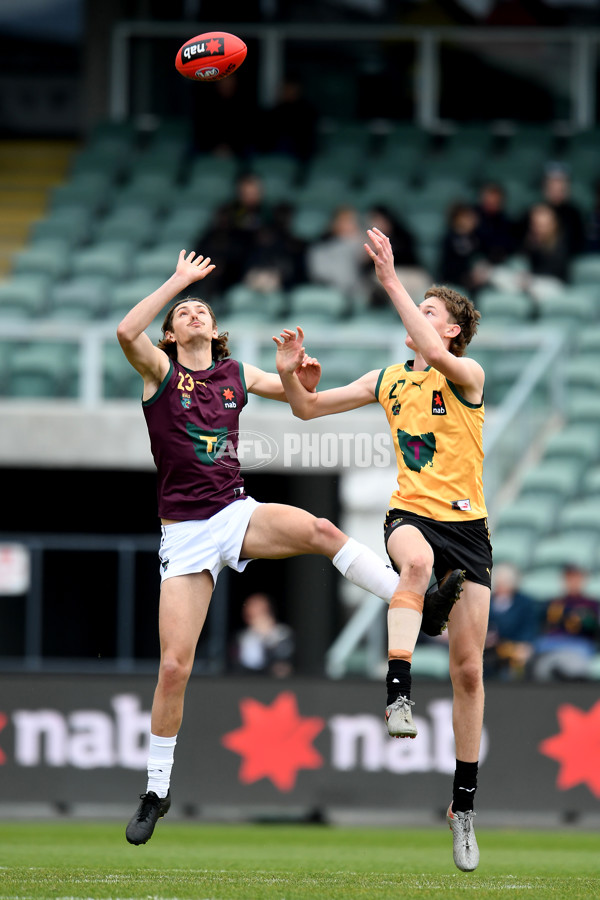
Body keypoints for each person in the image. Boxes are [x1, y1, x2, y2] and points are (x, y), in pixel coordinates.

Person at [117, 249, 457, 846]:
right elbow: (125, 329)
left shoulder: (236, 375)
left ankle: (421, 603)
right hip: (186, 533)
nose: (194, 312)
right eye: (183, 312)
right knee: (175, 668)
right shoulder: (159, 374)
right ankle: (155, 790)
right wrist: (178, 281)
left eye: (201, 308)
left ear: (215, 330)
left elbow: (303, 406)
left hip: (235, 512)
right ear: (169, 334)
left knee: (323, 530)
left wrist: (298, 372)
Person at [274, 226, 492, 872]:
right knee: (415, 564)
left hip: (469, 530)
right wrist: (290, 377)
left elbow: (427, 342)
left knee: (470, 672)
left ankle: (464, 807)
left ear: (451, 333)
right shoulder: (389, 379)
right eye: (416, 306)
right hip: (412, 516)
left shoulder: (468, 376)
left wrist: (393, 278)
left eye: (432, 313)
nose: (420, 319)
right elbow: (307, 411)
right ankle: (398, 691)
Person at [533, 564, 600, 681]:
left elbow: (593, 627)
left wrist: (584, 619)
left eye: (576, 578)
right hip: (553, 644)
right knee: (540, 666)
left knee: (574, 666)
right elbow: (544, 624)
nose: (573, 582)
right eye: (569, 578)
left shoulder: (591, 604)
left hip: (579, 645)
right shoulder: (554, 602)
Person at [485, 563, 538, 680]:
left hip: (515, 646)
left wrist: (523, 645)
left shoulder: (525, 603)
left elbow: (529, 629)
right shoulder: (487, 601)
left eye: (503, 583)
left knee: (519, 661)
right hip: (491, 649)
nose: (499, 587)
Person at [232, 592, 294, 677]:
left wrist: (267, 636)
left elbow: (283, 664)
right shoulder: (242, 636)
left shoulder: (282, 633)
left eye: (256, 608)